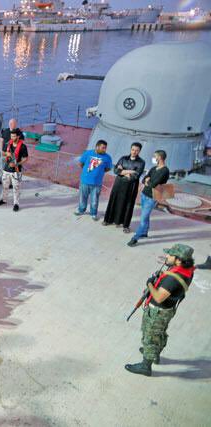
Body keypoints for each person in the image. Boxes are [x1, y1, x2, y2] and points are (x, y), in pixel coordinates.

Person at [125, 244, 195, 376]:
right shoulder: (187, 270)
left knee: (150, 337)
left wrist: (149, 283)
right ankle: (154, 354)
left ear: (179, 259)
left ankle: (146, 366)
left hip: (158, 311)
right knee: (159, 333)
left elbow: (158, 297)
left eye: (170, 255)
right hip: (168, 309)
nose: (167, 256)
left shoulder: (172, 279)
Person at [128, 150, 170, 247]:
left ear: (159, 157)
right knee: (145, 216)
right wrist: (147, 180)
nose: (153, 158)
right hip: (144, 194)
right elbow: (144, 179)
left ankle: (135, 238)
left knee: (143, 218)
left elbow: (153, 184)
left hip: (152, 197)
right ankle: (144, 232)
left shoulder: (165, 171)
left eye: (155, 156)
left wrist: (148, 181)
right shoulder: (154, 168)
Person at [103, 143, 146, 232]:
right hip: (118, 184)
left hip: (130, 186)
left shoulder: (141, 162)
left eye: (136, 150)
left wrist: (122, 171)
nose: (134, 152)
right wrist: (129, 172)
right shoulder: (123, 158)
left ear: (139, 151)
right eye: (133, 149)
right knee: (114, 201)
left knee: (128, 205)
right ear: (130, 149)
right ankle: (108, 220)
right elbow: (115, 170)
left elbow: (135, 176)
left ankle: (125, 225)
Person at [75, 140, 113, 220]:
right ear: (97, 147)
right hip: (85, 181)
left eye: (105, 148)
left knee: (94, 200)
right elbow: (81, 163)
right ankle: (81, 210)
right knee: (82, 198)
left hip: (97, 183)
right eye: (103, 148)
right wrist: (88, 172)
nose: (104, 150)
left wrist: (99, 172)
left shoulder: (107, 157)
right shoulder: (88, 153)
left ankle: (93, 213)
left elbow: (108, 168)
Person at [0, 128, 28, 212]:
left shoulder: (23, 147)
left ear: (18, 136)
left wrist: (17, 164)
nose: (12, 138)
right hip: (6, 170)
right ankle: (3, 200)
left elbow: (25, 158)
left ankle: (16, 204)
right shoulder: (8, 144)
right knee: (4, 186)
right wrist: (7, 153)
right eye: (11, 136)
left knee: (16, 188)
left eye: (14, 136)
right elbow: (3, 153)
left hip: (16, 171)